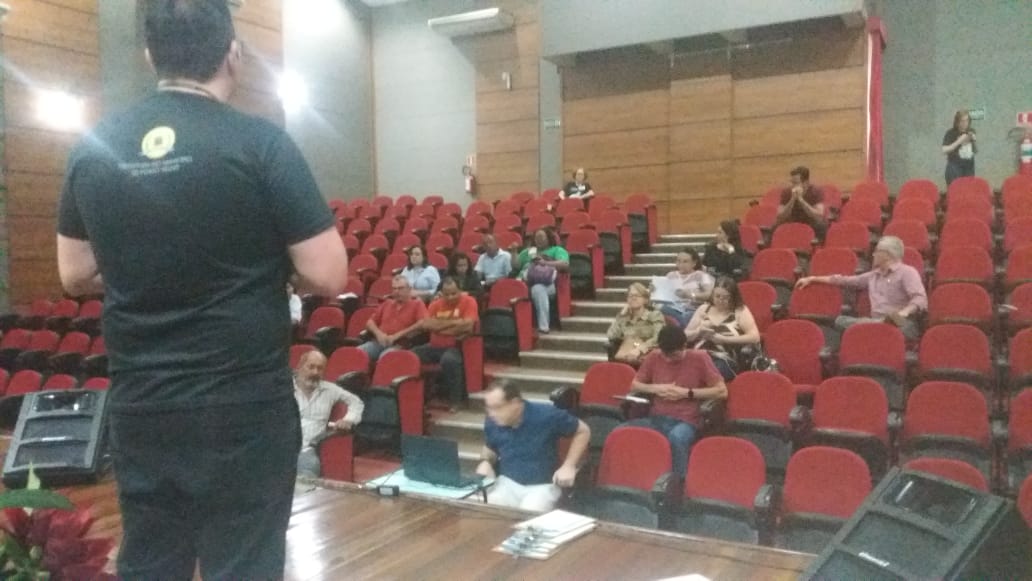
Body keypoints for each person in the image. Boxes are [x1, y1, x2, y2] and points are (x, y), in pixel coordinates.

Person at [55, 1, 349, 577]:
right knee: (243, 565)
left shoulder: (93, 146)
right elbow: (328, 273)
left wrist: (151, 267)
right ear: (232, 54)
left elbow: (74, 274)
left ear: (150, 56)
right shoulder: (261, 143)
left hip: (144, 402)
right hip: (242, 406)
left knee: (151, 561)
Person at [624, 325, 727, 477]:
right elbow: (635, 385)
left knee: (676, 438)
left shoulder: (699, 358)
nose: (668, 359)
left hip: (686, 420)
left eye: (673, 355)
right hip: (656, 417)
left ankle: (679, 481)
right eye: (665, 354)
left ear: (684, 346)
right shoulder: (655, 356)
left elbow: (722, 391)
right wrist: (657, 388)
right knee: (621, 432)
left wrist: (687, 393)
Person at [477, 381, 590, 512]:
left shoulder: (547, 415)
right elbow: (490, 447)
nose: (491, 413)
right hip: (507, 483)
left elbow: (583, 431)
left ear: (515, 403)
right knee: (484, 510)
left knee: (528, 515)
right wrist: (485, 461)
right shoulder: (493, 420)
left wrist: (569, 465)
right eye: (488, 408)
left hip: (541, 487)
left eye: (497, 407)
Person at [795, 235, 927, 340]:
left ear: (886, 254)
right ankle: (869, 325)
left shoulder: (907, 272)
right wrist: (813, 278)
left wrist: (904, 312)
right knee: (843, 321)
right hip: (877, 321)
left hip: (902, 323)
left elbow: (920, 299)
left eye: (876, 251)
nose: (873, 255)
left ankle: (868, 325)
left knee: (863, 324)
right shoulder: (873, 275)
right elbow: (844, 280)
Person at [294, 351, 364, 478]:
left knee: (308, 471)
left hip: (307, 449)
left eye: (320, 368)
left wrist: (348, 420)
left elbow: (356, 402)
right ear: (300, 367)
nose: (315, 372)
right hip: (281, 445)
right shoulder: (284, 389)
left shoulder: (330, 390)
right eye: (311, 367)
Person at [413, 277, 479, 411]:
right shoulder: (435, 304)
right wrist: (455, 323)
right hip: (434, 346)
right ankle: (418, 399)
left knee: (449, 360)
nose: (450, 297)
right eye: (446, 294)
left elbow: (468, 326)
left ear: (460, 290)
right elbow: (427, 325)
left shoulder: (469, 301)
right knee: (410, 356)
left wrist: (439, 328)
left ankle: (456, 401)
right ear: (441, 293)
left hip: (456, 347)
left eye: (454, 293)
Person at [683, 277, 761, 381]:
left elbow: (755, 337)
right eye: (717, 296)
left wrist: (724, 339)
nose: (720, 300)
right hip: (700, 354)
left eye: (725, 298)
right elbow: (685, 336)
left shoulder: (740, 311)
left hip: (725, 358)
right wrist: (699, 331)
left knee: (706, 372)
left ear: (733, 297)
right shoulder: (704, 309)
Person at [511, 228, 569, 334]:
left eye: (541, 237)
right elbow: (516, 266)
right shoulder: (528, 251)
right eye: (537, 237)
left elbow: (564, 264)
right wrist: (514, 252)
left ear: (548, 238)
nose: (539, 239)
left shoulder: (556, 250)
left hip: (547, 284)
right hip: (524, 281)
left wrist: (545, 263)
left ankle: (544, 327)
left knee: (538, 289)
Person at [359, 275, 428, 361]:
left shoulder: (417, 304)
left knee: (386, 357)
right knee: (357, 352)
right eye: (394, 289)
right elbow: (370, 322)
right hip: (379, 342)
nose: (397, 292)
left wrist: (397, 335)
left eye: (400, 288)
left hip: (401, 344)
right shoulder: (387, 303)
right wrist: (379, 334)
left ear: (409, 289)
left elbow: (422, 323)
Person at [606, 282, 665, 366]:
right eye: (630, 296)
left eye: (637, 295)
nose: (633, 298)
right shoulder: (624, 317)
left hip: (648, 356)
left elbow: (659, 337)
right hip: (626, 356)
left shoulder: (655, 315)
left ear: (645, 299)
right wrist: (620, 316)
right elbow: (611, 336)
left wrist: (640, 349)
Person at [657, 248, 714, 328]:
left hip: (693, 309)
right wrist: (655, 290)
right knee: (663, 309)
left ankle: (681, 329)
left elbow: (710, 294)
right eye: (679, 261)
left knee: (687, 315)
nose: (681, 264)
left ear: (694, 263)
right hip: (673, 309)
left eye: (685, 261)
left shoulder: (702, 275)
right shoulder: (670, 275)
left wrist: (689, 295)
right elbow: (663, 295)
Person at [776, 166, 826, 239]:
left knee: (821, 225)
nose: (793, 186)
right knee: (775, 226)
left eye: (796, 183)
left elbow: (819, 216)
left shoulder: (816, 191)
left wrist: (801, 200)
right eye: (792, 183)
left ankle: (816, 245)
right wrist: (792, 199)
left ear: (806, 183)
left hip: (810, 221)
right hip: (793, 220)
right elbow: (780, 216)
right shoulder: (786, 192)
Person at [942, 109, 977, 185]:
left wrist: (973, 138)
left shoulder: (971, 130)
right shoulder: (950, 133)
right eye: (962, 121)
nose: (965, 123)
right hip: (954, 166)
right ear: (957, 122)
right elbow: (944, 150)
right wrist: (959, 141)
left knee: (969, 190)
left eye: (967, 120)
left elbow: (973, 143)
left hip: (969, 166)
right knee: (955, 190)